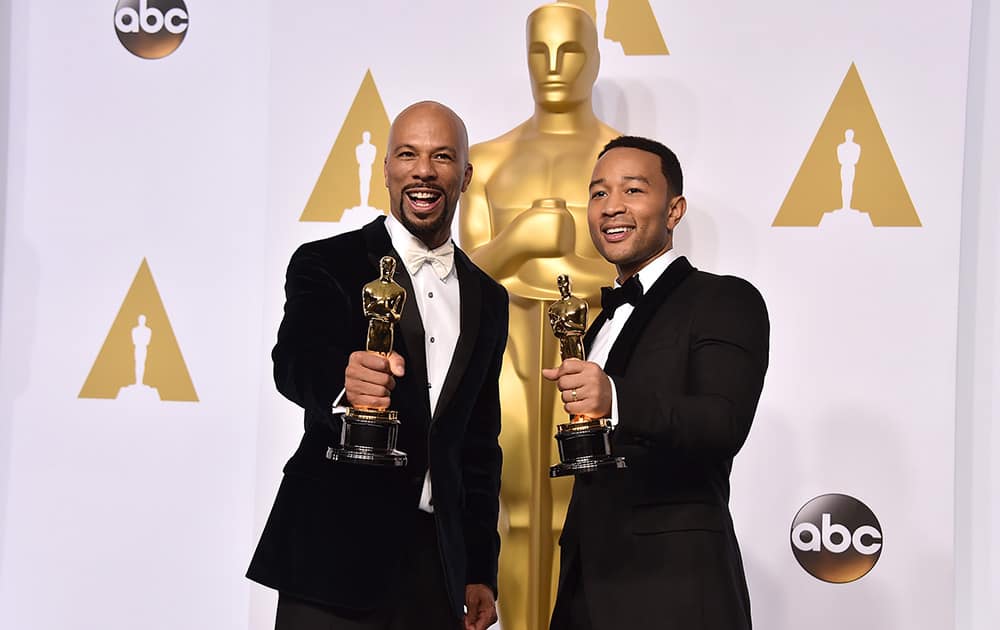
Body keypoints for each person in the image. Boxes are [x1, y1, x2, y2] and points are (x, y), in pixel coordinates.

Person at [248, 101, 508, 630]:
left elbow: (479, 442)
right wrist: (343, 385)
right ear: (386, 167)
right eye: (408, 154)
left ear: (465, 174)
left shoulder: (489, 297)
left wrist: (480, 565)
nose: (424, 170)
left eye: (442, 156)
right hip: (332, 556)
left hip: (435, 569)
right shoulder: (325, 261)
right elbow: (293, 360)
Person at [544, 136, 769, 630]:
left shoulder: (724, 300)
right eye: (598, 193)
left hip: (676, 589)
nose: (612, 207)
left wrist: (615, 397)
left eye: (633, 190)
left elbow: (722, 422)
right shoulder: (599, 323)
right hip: (587, 588)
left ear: (674, 210)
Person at [457, 5, 619, 626]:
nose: (553, 67)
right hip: (505, 354)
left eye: (570, 51)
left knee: (580, 512)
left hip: (594, 355)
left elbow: (637, 271)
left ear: (596, 58)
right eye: (540, 52)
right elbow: (465, 274)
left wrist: (548, 262)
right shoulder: (490, 161)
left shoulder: (621, 162)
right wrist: (524, 239)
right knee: (513, 506)